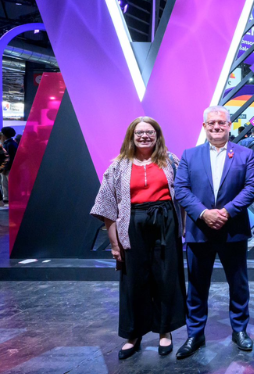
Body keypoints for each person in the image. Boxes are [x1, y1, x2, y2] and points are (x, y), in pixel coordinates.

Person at [90, 117, 186, 359]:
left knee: (166, 277)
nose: (145, 136)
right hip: (132, 226)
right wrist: (114, 244)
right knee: (134, 281)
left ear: (157, 136)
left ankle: (165, 331)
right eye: (139, 133)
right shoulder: (118, 166)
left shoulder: (171, 161)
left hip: (166, 225)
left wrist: (183, 228)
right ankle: (134, 334)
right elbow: (107, 206)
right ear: (131, 136)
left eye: (150, 132)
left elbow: (183, 197)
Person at [173, 106, 254, 359]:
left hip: (232, 229)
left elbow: (252, 187)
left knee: (238, 283)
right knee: (197, 285)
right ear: (204, 127)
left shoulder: (245, 155)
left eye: (221, 123)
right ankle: (195, 333)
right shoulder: (189, 155)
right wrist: (203, 213)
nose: (216, 127)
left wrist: (226, 211)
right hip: (200, 231)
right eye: (211, 123)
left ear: (230, 125)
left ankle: (240, 330)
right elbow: (181, 190)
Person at [0, 127, 18, 205]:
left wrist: (5, 168)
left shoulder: (9, 144)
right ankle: (6, 198)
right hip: (7, 168)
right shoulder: (9, 143)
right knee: (5, 183)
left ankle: (8, 198)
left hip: (8, 168)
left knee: (7, 183)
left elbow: (10, 158)